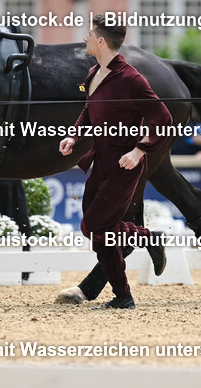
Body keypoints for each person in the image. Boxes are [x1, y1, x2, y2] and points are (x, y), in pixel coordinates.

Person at [57, 15, 171, 310]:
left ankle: (149, 237)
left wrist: (140, 151)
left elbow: (163, 119)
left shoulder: (132, 79)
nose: (85, 37)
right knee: (99, 235)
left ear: (101, 41)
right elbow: (88, 109)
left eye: (90, 34)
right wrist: (73, 135)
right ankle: (123, 297)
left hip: (124, 165)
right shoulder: (93, 74)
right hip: (100, 162)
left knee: (93, 225)